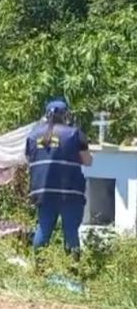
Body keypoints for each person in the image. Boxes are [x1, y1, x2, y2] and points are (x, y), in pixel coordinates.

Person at [25, 99, 93, 261]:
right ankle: (74, 270)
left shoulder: (33, 136)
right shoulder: (74, 134)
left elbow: (29, 159)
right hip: (69, 192)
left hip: (43, 192)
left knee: (43, 230)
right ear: (65, 115)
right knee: (70, 232)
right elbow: (88, 161)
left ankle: (39, 269)